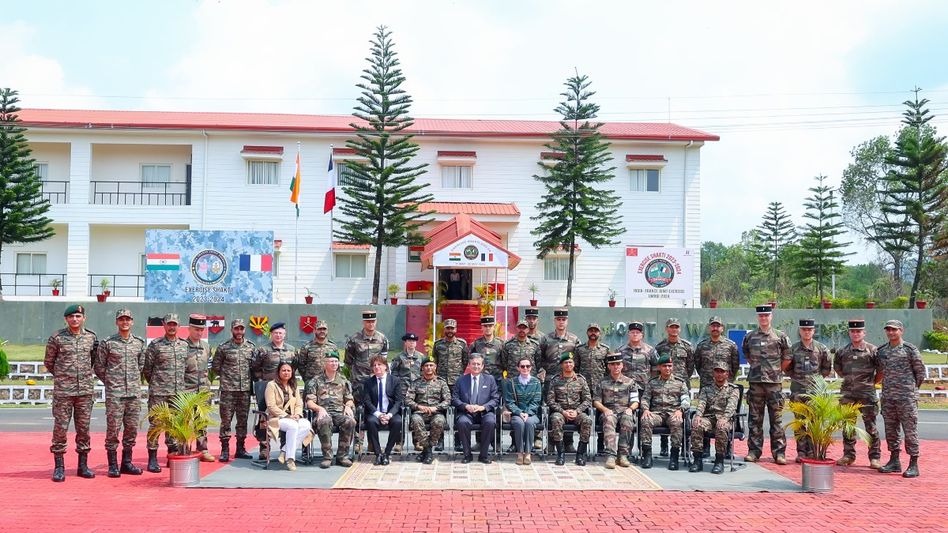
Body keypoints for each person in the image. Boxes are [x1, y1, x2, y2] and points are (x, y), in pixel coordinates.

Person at [46, 304, 98, 482]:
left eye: (78, 316)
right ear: (66, 319)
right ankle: (59, 467)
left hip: (84, 391)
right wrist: (63, 377)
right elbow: (49, 362)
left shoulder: (91, 338)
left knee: (84, 429)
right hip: (63, 392)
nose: (75, 319)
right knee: (60, 429)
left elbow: (93, 360)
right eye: (71, 317)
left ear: (84, 318)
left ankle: (82, 465)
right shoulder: (57, 338)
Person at [94, 308, 146, 478]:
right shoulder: (108, 342)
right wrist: (111, 382)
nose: (125, 322)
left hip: (133, 393)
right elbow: (99, 367)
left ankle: (127, 463)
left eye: (127, 319)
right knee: (113, 430)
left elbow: (141, 365)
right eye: (121, 319)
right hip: (115, 393)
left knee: (131, 429)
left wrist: (131, 381)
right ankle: (113, 465)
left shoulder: (139, 342)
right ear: (117, 322)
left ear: (132, 322)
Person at [741, 304, 791, 465]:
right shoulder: (750, 337)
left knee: (776, 420)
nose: (764, 318)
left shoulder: (780, 336)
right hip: (755, 383)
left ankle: (779, 453)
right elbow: (747, 354)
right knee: (755, 420)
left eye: (766, 315)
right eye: (761, 316)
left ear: (771, 316)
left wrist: (776, 371)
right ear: (758, 317)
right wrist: (758, 368)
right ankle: (754, 451)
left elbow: (788, 357)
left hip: (774, 385)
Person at [877, 320, 925, 478]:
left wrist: (910, 389)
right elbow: (880, 371)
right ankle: (894, 461)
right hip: (888, 397)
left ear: (901, 331)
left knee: (910, 431)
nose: (891, 332)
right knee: (891, 431)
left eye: (894, 330)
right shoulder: (882, 351)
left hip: (906, 398)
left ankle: (913, 464)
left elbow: (920, 373)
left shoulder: (909, 349)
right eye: (888, 330)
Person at [142, 313, 189, 473]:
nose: (172, 327)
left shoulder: (184, 345)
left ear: (179, 326)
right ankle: (152, 458)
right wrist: (158, 384)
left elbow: (186, 369)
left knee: (174, 426)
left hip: (177, 394)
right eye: (169, 324)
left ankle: (172, 455)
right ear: (163, 325)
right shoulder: (155, 345)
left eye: (174, 324)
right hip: (159, 393)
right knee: (156, 425)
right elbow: (147, 369)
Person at [833, 319, 882, 468]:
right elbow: (838, 369)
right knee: (848, 426)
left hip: (867, 394)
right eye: (853, 331)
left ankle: (874, 457)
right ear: (849, 333)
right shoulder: (842, 351)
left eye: (858, 331)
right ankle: (848, 455)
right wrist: (851, 381)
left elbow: (880, 371)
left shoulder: (873, 350)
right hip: (848, 394)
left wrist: (870, 383)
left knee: (871, 427)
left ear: (864, 333)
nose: (855, 334)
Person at [784, 318, 831, 462]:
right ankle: (802, 452)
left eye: (809, 329)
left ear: (813, 331)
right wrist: (799, 379)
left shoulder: (821, 349)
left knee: (814, 423)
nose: (807, 332)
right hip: (798, 391)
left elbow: (826, 369)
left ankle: (813, 451)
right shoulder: (793, 349)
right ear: (800, 331)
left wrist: (815, 381)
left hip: (814, 393)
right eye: (804, 330)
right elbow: (788, 368)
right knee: (799, 423)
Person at [692, 316, 740, 457]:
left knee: (726, 416)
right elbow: (697, 364)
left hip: (725, 388)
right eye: (713, 325)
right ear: (709, 328)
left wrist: (726, 380)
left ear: (722, 328)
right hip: (707, 385)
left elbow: (735, 365)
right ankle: (704, 448)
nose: (715, 328)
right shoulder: (702, 346)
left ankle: (726, 448)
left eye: (718, 326)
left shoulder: (731, 345)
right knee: (705, 416)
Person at [345, 309, 389, 454]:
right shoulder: (354, 339)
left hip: (375, 382)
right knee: (358, 412)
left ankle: (372, 444)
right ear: (363, 322)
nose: (371, 324)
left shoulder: (382, 339)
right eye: (368, 321)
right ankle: (358, 443)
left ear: (376, 321)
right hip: (358, 382)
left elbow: (383, 361)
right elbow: (348, 361)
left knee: (373, 412)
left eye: (373, 321)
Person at [211, 318, 255, 462]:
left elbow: (254, 368)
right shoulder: (223, 348)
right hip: (228, 390)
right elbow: (216, 367)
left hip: (244, 391)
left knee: (243, 421)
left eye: (241, 329)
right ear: (232, 330)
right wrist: (228, 378)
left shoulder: (251, 347)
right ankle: (225, 450)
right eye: (236, 329)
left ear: (244, 330)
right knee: (226, 421)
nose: (239, 332)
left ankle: (240, 449)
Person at [252, 321, 296, 460]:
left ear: (285, 334)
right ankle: (264, 449)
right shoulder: (263, 350)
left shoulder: (291, 350)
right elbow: (254, 367)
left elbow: (294, 367)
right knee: (264, 418)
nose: (278, 335)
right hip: (267, 388)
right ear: (271, 334)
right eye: (275, 333)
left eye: (281, 333)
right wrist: (262, 381)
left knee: (286, 415)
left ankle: (284, 448)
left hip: (285, 388)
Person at [304, 351, 356, 469]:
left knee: (350, 421)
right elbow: (310, 402)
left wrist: (348, 406)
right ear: (324, 364)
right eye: (331, 361)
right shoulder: (316, 381)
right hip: (324, 413)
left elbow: (349, 399)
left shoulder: (343, 380)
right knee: (324, 421)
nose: (334, 364)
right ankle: (327, 457)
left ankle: (342, 456)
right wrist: (320, 409)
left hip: (339, 413)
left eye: (336, 361)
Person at [539, 308, 580, 452]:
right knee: (552, 412)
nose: (561, 322)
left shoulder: (574, 340)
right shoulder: (546, 339)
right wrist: (543, 371)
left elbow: (577, 360)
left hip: (568, 381)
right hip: (551, 381)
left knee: (570, 408)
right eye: (558, 319)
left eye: (563, 320)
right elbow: (540, 358)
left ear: (567, 321)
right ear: (554, 321)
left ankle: (568, 443)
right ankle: (551, 443)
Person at [639, 354, 690, 470]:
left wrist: (680, 410)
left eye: (670, 366)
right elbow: (645, 398)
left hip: (673, 413)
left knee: (677, 422)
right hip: (657, 414)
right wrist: (646, 409)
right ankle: (647, 456)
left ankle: (674, 457)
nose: (667, 368)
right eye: (664, 366)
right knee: (646, 420)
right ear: (659, 367)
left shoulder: (680, 383)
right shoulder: (652, 383)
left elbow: (686, 400)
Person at [689, 361, 739, 474]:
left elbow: (732, 406)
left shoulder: (733, 389)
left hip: (725, 418)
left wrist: (725, 418)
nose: (719, 374)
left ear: (727, 374)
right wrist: (698, 416)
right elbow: (701, 403)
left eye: (722, 372)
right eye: (717, 371)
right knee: (697, 425)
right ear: (713, 373)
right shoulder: (706, 389)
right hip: (710, 418)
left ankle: (719, 461)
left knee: (721, 427)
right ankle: (697, 460)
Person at [500, 319, 542, 450]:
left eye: (524, 327)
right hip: (514, 384)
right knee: (514, 413)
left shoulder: (535, 345)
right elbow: (504, 363)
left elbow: (538, 362)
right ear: (516, 329)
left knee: (532, 409)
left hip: (530, 383)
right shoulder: (508, 345)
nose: (522, 330)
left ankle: (534, 439)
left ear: (528, 329)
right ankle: (514, 442)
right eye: (520, 327)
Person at [264, 361, 314, 471]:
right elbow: (271, 406)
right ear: (278, 372)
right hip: (276, 418)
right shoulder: (271, 385)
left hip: (293, 417)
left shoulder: (293, 385)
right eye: (283, 370)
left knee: (306, 424)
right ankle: (290, 459)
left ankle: (284, 451)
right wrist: (287, 416)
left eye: (288, 370)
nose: (286, 372)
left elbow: (299, 403)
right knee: (293, 426)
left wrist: (297, 414)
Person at [546, 352, 592, 466]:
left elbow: (587, 400)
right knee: (556, 419)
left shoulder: (581, 380)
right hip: (561, 412)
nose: (568, 365)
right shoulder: (555, 380)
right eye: (565, 362)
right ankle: (560, 454)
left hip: (577, 412)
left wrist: (577, 411)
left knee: (587, 420)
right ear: (562, 365)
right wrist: (563, 411)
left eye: (570, 362)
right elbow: (550, 400)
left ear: (574, 364)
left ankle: (580, 454)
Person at [452, 354, 499, 464]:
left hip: (484, 412)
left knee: (490, 422)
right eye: (473, 364)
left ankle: (483, 455)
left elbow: (495, 398)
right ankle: (467, 455)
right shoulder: (461, 380)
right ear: (469, 365)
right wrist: (465, 406)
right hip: (467, 412)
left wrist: (483, 407)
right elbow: (454, 398)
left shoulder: (490, 379)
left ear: (482, 366)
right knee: (462, 422)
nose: (476, 366)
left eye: (478, 364)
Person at [594, 353, 638, 469]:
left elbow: (635, 401)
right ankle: (611, 456)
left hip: (625, 411)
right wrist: (605, 409)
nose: (616, 367)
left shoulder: (630, 382)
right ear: (609, 366)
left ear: (622, 365)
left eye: (618, 364)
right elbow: (596, 401)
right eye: (613, 364)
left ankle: (623, 455)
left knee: (628, 419)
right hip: (609, 411)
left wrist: (630, 409)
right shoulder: (602, 382)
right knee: (609, 420)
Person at [406, 356, 451, 464]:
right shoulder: (415, 382)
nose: (429, 368)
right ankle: (428, 450)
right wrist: (419, 406)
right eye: (426, 366)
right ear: (422, 368)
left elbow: (448, 400)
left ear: (435, 367)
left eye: (431, 365)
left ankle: (426, 450)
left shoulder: (441, 383)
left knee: (439, 421)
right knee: (416, 421)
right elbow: (408, 400)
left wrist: (436, 407)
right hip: (420, 412)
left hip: (436, 412)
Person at [183, 313, 215, 463]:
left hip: (202, 390)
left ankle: (203, 449)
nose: (199, 332)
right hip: (186, 390)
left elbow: (210, 369)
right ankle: (183, 449)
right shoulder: (182, 345)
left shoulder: (206, 347)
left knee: (202, 422)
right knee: (184, 422)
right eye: (196, 329)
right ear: (189, 328)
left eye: (201, 329)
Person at [362, 355, 403, 465]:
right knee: (370, 422)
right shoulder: (368, 382)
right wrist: (379, 415)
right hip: (375, 413)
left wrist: (389, 415)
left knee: (398, 422)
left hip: (391, 412)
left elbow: (399, 401)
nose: (376, 367)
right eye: (374, 365)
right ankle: (378, 454)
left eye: (379, 364)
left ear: (385, 366)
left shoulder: (395, 381)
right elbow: (367, 401)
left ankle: (387, 453)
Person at [502, 357, 542, 465]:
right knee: (519, 424)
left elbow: (536, 400)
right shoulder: (512, 383)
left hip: (532, 414)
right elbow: (509, 401)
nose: (525, 368)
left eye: (527, 366)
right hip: (516, 413)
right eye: (522, 366)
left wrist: (528, 413)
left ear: (531, 368)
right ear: (518, 368)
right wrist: (519, 412)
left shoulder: (536, 382)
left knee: (529, 423)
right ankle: (520, 453)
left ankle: (528, 452)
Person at [296, 320, 337, 391]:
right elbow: (301, 365)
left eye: (324, 329)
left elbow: (336, 364)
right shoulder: (307, 347)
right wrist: (307, 379)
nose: (322, 331)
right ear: (314, 330)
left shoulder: (333, 347)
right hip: (311, 383)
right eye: (319, 329)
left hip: (328, 383)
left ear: (327, 331)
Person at [619, 321, 658, 395]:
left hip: (644, 388)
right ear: (628, 334)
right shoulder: (620, 350)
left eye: (637, 332)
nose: (635, 334)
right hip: (625, 388)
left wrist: (652, 383)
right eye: (632, 332)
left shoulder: (650, 350)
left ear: (642, 334)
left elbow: (657, 367)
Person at [575, 323, 610, 400]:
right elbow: (576, 367)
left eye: (595, 331)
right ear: (587, 333)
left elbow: (609, 368)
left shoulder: (605, 349)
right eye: (591, 331)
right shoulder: (579, 349)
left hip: (600, 385)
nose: (593, 333)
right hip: (584, 386)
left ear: (599, 333)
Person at [432, 318, 468, 389]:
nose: (450, 331)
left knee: (455, 399)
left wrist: (459, 372)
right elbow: (435, 360)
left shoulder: (462, 344)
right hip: (441, 379)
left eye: (452, 328)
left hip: (456, 379)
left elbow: (465, 361)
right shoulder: (438, 344)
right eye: (448, 328)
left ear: (456, 329)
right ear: (444, 329)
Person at [471, 316, 505, 382]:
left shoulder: (501, 343)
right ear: (482, 327)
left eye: (490, 326)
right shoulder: (476, 344)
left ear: (494, 327)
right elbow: (470, 361)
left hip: (497, 379)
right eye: (485, 326)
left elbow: (505, 362)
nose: (488, 328)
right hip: (481, 379)